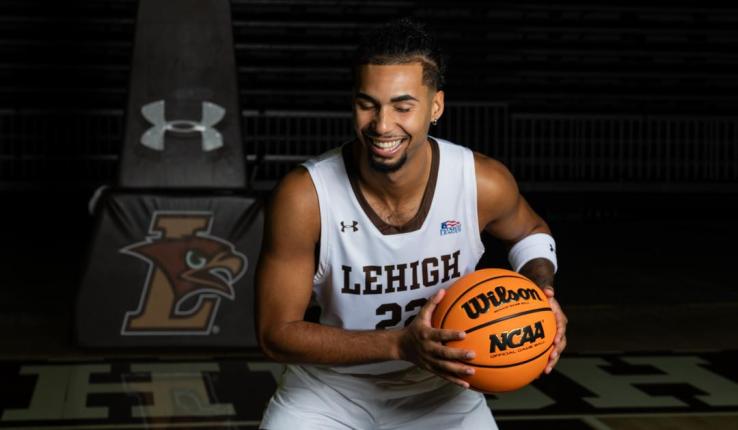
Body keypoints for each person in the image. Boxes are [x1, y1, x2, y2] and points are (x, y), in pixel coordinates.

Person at [256, 18, 568, 430]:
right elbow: (275, 334)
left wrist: (542, 292)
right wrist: (399, 345)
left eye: (403, 106)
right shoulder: (305, 195)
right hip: (329, 392)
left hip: (442, 389)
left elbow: (530, 233)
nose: (383, 125)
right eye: (368, 104)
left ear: (435, 106)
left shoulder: (480, 182)